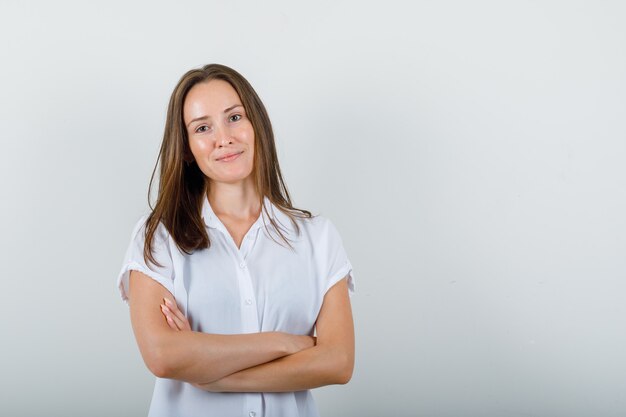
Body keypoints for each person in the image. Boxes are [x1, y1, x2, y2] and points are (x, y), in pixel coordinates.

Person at [116, 63, 355, 417]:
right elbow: (163, 356)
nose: (223, 138)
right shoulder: (158, 236)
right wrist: (288, 343)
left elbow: (338, 362)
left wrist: (214, 374)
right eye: (202, 127)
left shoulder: (317, 237)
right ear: (186, 149)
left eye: (234, 117)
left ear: (256, 123)